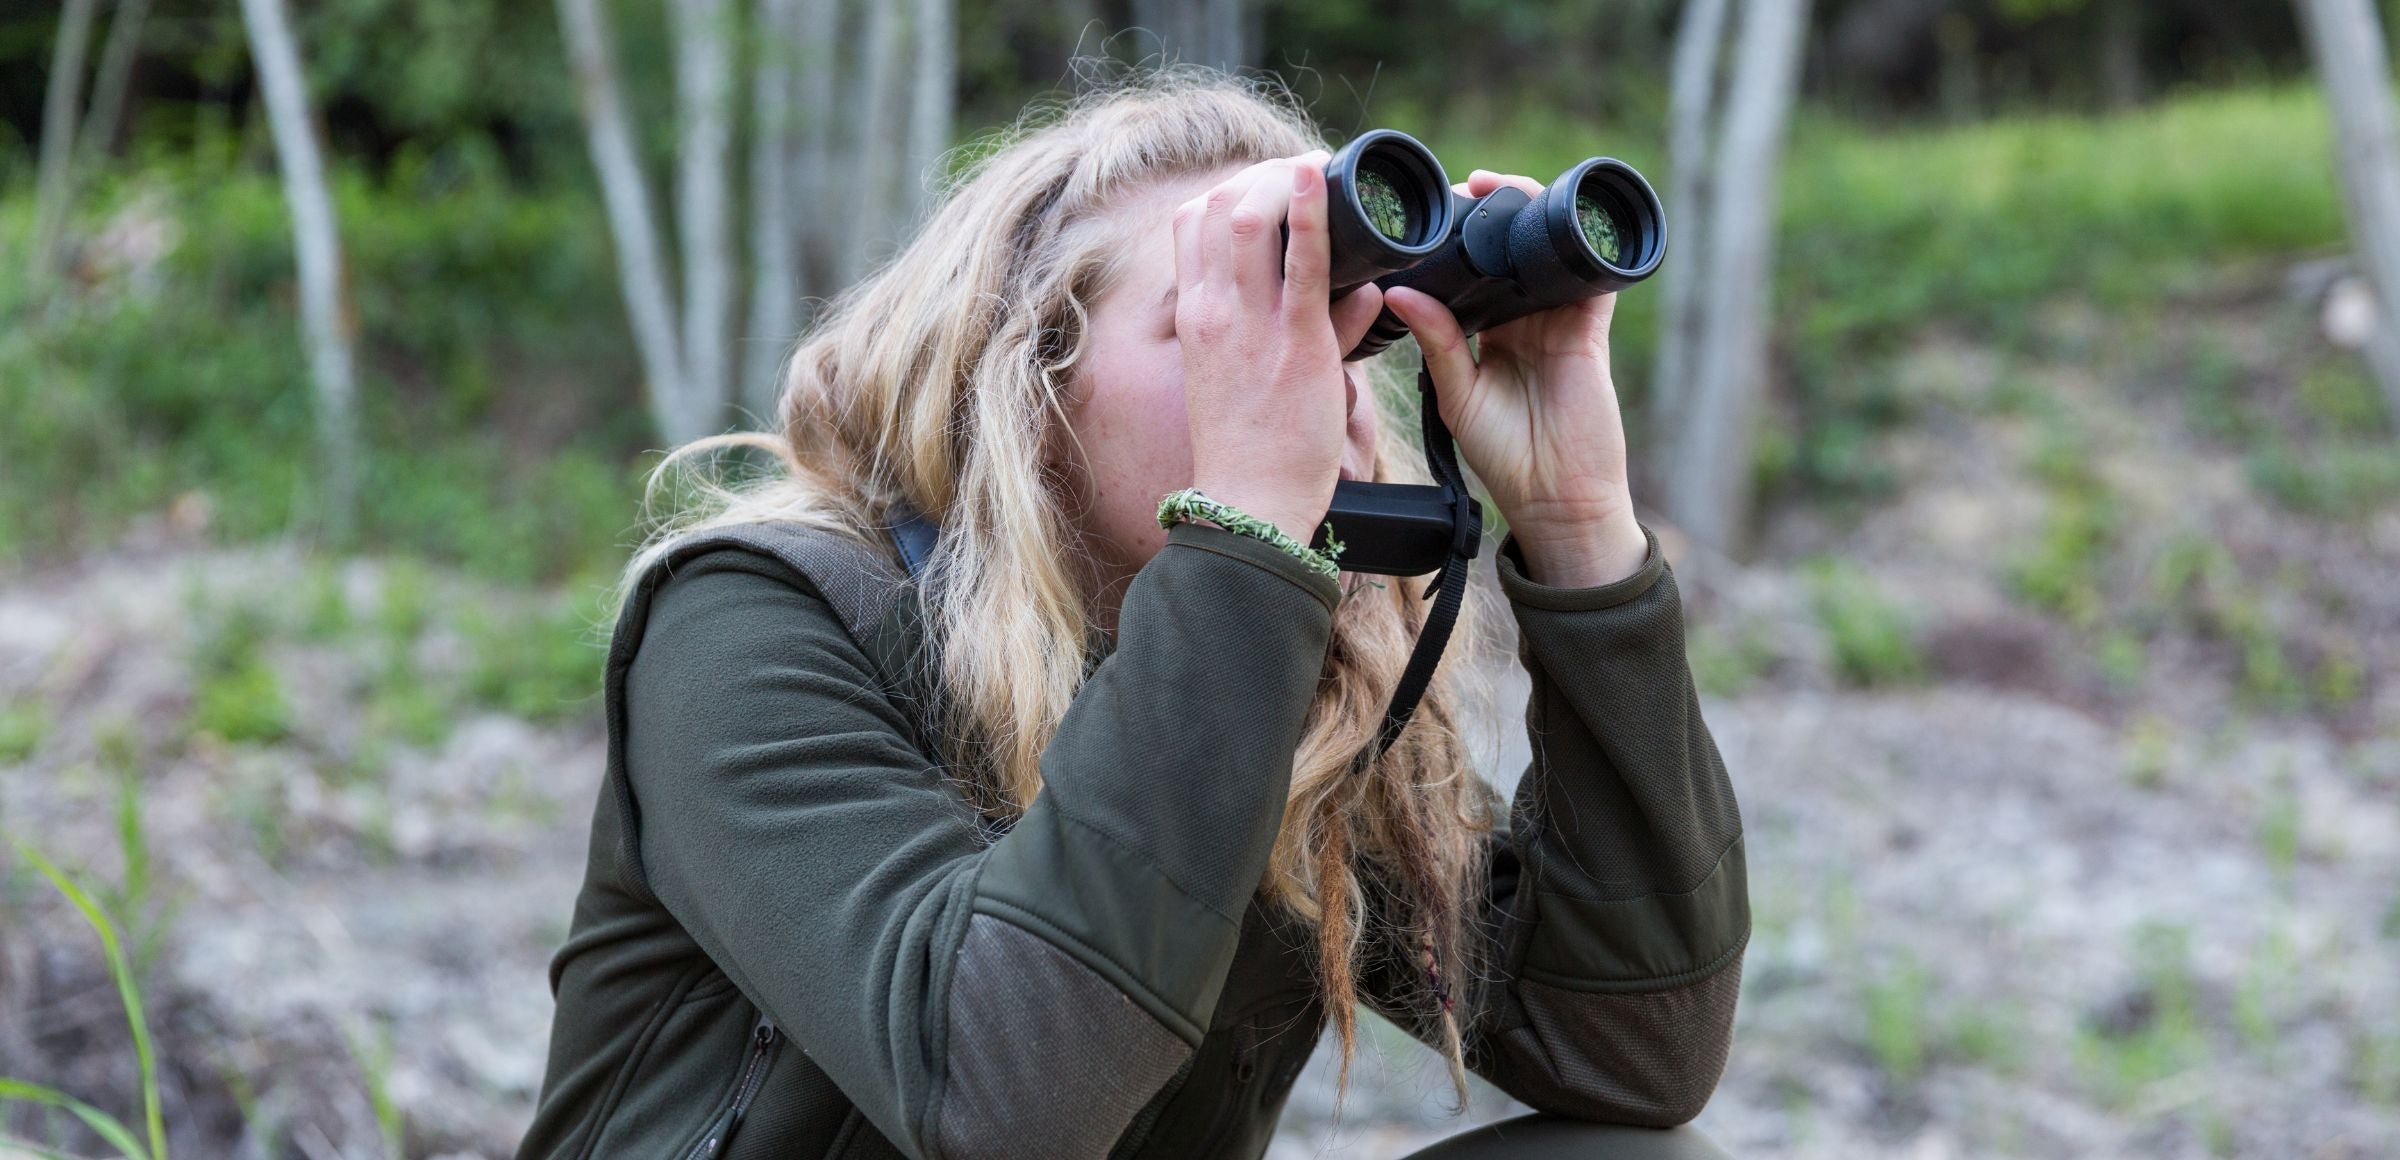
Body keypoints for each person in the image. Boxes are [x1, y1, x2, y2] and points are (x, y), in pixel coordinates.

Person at [514, 71, 1746, 1160]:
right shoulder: (753, 623)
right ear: (1029, 375)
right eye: (1231, 317)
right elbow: (1001, 1100)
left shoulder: (1304, 670)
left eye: (1339, 319)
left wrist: (1582, 532)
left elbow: (1630, 1052)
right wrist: (1252, 535)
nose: (1311, 371)